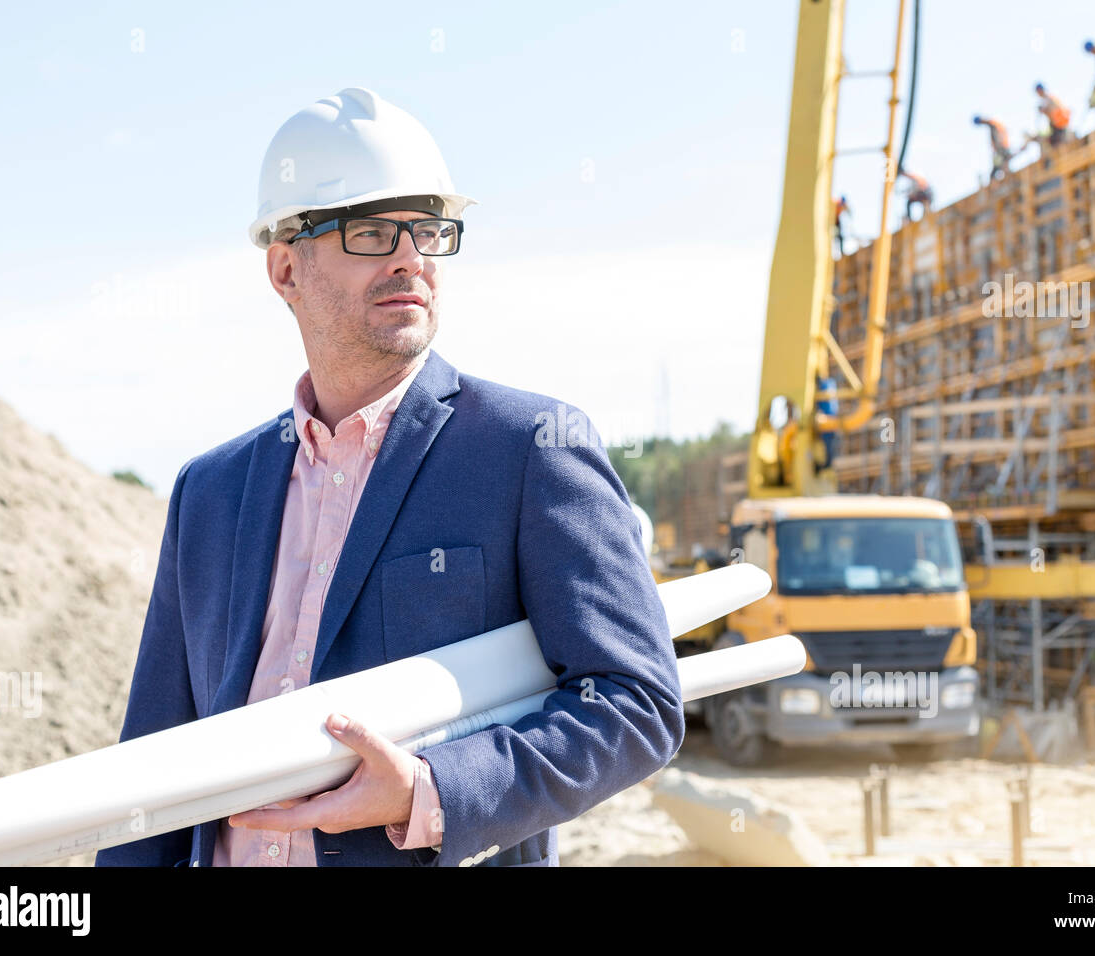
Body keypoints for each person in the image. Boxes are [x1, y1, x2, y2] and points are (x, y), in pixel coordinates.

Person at [95, 88, 684, 868]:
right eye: (373, 231)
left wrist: (429, 791)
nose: (411, 257)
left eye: (430, 231)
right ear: (285, 268)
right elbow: (156, 760)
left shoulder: (531, 449)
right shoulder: (209, 493)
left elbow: (636, 702)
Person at [973, 115, 1011, 181]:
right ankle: (1005, 178)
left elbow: (997, 139)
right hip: (1003, 149)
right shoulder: (996, 125)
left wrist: (996, 149)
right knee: (1004, 166)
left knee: (996, 170)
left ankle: (996, 183)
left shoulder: (993, 125)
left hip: (1001, 150)